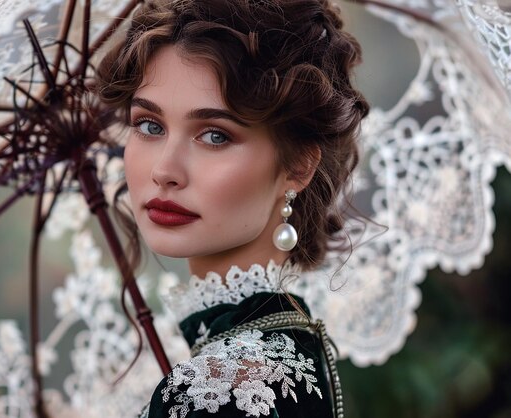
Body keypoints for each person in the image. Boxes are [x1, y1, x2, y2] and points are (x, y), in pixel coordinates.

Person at [96, 0, 369, 416]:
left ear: (298, 165)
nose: (165, 171)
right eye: (150, 126)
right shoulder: (295, 339)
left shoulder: (217, 391)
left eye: (215, 136)